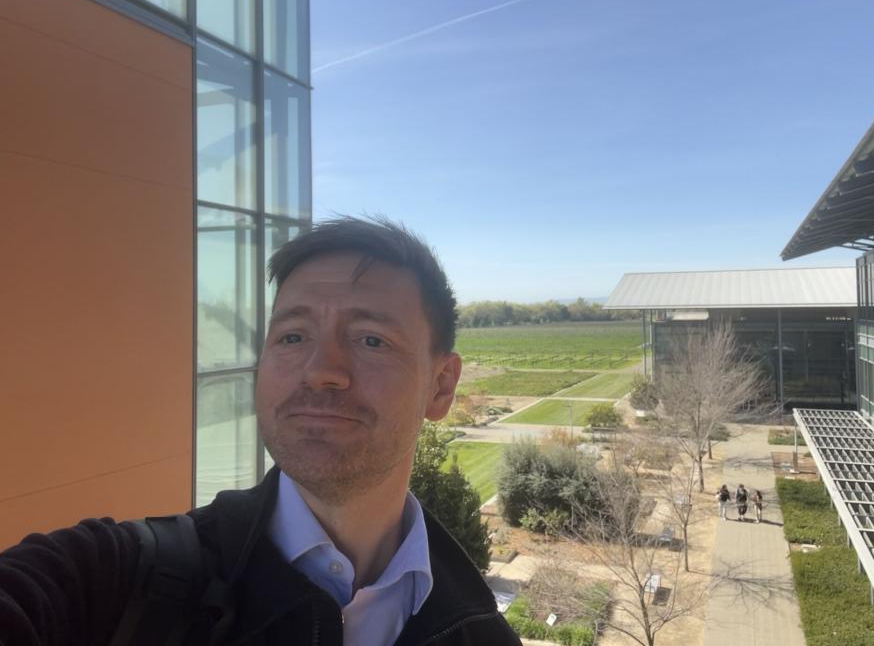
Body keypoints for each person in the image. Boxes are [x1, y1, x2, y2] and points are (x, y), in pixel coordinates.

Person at [0, 217, 520, 646]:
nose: (321, 369)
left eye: (370, 340)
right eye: (293, 335)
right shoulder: (115, 581)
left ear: (441, 386)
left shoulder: (484, 635)